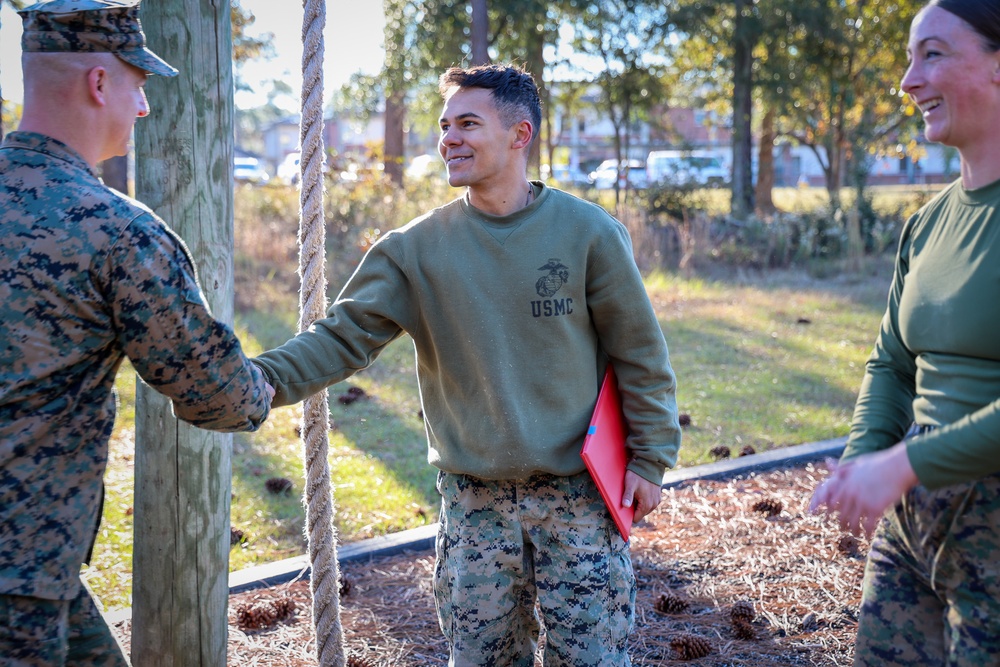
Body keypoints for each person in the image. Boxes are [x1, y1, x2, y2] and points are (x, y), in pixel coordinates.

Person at [253, 64, 681, 666]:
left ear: (519, 134)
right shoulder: (413, 249)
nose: (448, 138)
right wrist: (257, 382)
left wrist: (652, 457)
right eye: (445, 125)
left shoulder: (587, 233)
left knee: (591, 659)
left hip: (578, 500)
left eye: (468, 123)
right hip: (473, 505)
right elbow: (341, 338)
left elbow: (639, 352)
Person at [0, 1, 273, 665]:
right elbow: (224, 398)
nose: (143, 108)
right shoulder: (119, 232)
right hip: (20, 580)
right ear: (100, 83)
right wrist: (272, 379)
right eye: (139, 85)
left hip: (42, 577)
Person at [809, 1, 1000, 664]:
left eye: (934, 54)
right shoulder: (928, 222)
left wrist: (904, 463)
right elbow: (891, 362)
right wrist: (863, 456)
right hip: (912, 525)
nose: (908, 80)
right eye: (910, 57)